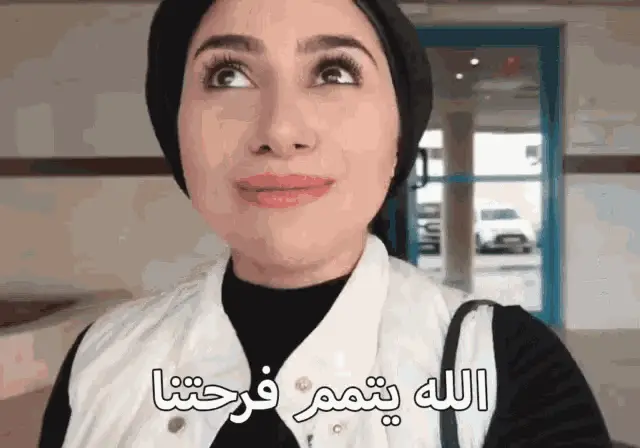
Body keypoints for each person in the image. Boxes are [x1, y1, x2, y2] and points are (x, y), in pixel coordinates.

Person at [39, 0, 612, 446]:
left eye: (334, 72)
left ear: (399, 127)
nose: (280, 130)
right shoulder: (102, 358)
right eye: (228, 75)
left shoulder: (507, 365)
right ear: (176, 127)